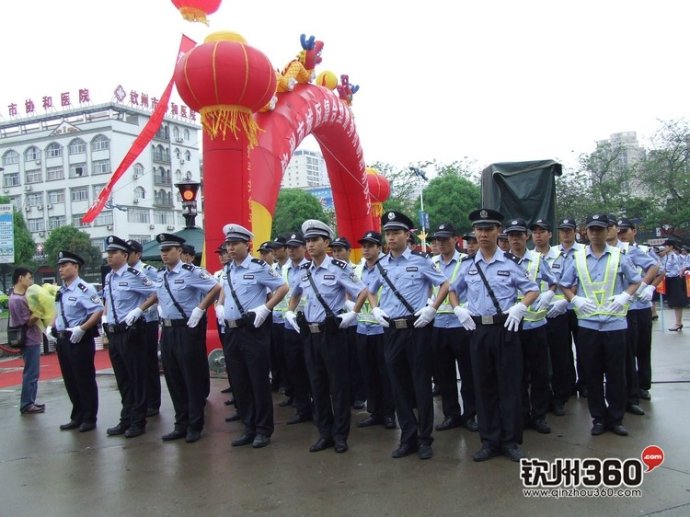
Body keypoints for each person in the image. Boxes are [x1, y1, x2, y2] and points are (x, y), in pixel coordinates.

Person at [450, 208, 539, 462]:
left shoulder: (510, 263)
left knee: (509, 386)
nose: (483, 234)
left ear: (498, 231)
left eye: (488, 229)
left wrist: (521, 307)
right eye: (479, 229)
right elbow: (453, 290)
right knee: (483, 385)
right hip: (478, 330)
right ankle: (489, 440)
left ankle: (510, 440)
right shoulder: (468, 265)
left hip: (505, 329)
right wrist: (458, 309)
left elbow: (532, 289)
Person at [368, 211, 449, 460]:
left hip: (417, 329)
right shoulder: (381, 265)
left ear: (407, 235)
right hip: (392, 330)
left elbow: (445, 284)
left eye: (396, 233)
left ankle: (425, 439)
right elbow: (370, 290)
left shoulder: (421, 261)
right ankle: (408, 437)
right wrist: (375, 308)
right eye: (388, 233)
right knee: (398, 385)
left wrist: (432, 308)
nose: (391, 238)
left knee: (420, 384)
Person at [285, 220, 368, 454]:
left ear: (326, 242)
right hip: (310, 335)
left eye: (315, 240)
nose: (310, 245)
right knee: (317, 385)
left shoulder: (338, 268)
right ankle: (325, 433)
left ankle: (340, 435)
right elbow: (295, 294)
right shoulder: (304, 271)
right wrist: (290, 311)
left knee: (338, 386)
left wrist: (352, 314)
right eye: (308, 241)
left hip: (332, 334)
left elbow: (362, 291)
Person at [559, 213, 641, 437]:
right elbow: (564, 284)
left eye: (600, 229)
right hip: (588, 325)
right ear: (586, 232)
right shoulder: (578, 258)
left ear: (608, 231)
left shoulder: (618, 256)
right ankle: (598, 419)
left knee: (616, 374)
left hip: (615, 325)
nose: (596, 233)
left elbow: (635, 281)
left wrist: (625, 296)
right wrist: (574, 299)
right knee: (592, 374)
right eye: (592, 230)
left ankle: (616, 418)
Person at [217, 224, 289, 449]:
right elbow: (225, 290)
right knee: (239, 381)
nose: (230, 248)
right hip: (231, 331)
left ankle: (263, 429)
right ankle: (249, 427)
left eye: (234, 244)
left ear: (246, 245)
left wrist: (266, 308)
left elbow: (282, 287)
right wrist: (219, 306)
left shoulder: (258, 267)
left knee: (258, 380)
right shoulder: (228, 269)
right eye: (228, 244)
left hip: (252, 330)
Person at [154, 233, 221, 443]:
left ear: (180, 251)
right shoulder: (160, 275)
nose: (164, 254)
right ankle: (180, 423)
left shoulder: (192, 272)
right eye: (162, 251)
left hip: (187, 329)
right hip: (168, 330)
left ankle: (195, 424)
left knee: (191, 378)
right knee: (173, 378)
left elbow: (216, 287)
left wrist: (200, 309)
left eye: (168, 250)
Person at [102, 235, 158, 438]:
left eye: (113, 253)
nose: (109, 256)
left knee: (137, 377)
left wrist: (139, 309)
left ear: (125, 255)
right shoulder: (109, 277)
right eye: (108, 253)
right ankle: (126, 417)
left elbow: (156, 292)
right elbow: (108, 300)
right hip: (114, 332)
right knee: (123, 379)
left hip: (131, 331)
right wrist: (105, 318)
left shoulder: (134, 275)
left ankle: (138, 421)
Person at [506, 219, 557, 435]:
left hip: (536, 325)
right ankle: (522, 414)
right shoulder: (502, 261)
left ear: (526, 237)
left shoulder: (537, 259)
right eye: (511, 235)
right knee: (516, 374)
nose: (515, 239)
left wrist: (549, 293)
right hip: (512, 326)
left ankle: (539, 415)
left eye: (519, 235)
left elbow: (553, 281)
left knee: (539, 374)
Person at [607, 217, 659, 416]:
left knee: (638, 350)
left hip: (635, 307)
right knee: (618, 357)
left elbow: (655, 267)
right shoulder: (594, 251)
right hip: (611, 310)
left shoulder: (631, 250)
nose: (618, 233)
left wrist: (646, 286)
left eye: (620, 230)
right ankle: (622, 393)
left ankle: (638, 390)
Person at [46, 251, 103, 431]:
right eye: (60, 266)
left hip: (79, 338)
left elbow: (97, 310)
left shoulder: (84, 288)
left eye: (64, 265)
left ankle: (89, 418)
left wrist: (83, 328)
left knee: (84, 379)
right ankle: (77, 415)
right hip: (63, 339)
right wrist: (50, 327)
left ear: (76, 267)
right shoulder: (61, 290)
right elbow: (59, 312)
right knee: (70, 379)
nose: (61, 269)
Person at [429, 223, 478, 433]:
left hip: (462, 324)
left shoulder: (466, 261)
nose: (440, 243)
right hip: (439, 325)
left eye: (445, 239)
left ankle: (470, 414)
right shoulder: (431, 263)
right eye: (437, 239)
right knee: (444, 374)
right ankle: (451, 415)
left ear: (455, 240)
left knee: (468, 373)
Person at [353, 231, 396, 430]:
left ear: (380, 247)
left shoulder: (386, 266)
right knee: (367, 372)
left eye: (370, 245)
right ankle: (374, 412)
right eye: (364, 246)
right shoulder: (358, 269)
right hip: (363, 327)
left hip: (382, 328)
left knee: (385, 373)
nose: (366, 249)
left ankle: (389, 413)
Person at [125, 239, 163, 417]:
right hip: (130, 323)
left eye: (129, 252)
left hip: (147, 320)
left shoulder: (148, 270)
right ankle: (139, 400)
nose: (126, 255)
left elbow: (157, 292)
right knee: (135, 363)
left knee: (149, 362)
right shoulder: (122, 272)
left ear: (138, 254)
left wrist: (143, 309)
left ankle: (153, 402)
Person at [279, 232, 313, 424]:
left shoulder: (310, 267)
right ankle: (303, 409)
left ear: (304, 248)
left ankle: (318, 406)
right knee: (295, 368)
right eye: (289, 247)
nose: (291, 251)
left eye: (296, 247)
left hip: (308, 323)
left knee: (313, 368)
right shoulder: (283, 270)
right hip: (290, 324)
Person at [331, 236, 366, 410]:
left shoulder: (356, 270)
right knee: (340, 363)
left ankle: (359, 395)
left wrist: (353, 308)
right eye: (334, 251)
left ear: (349, 251)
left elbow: (363, 292)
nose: (337, 254)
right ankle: (346, 395)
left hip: (353, 322)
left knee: (355, 361)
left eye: (340, 250)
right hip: (337, 323)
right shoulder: (330, 270)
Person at [9, 267, 44, 415]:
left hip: (31, 338)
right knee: (31, 372)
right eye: (29, 277)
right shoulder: (17, 299)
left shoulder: (19, 296)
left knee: (33, 372)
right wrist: (40, 311)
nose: (31, 281)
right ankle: (27, 404)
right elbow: (27, 322)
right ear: (20, 278)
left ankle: (30, 401)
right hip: (29, 340)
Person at [661, 239, 685, 331]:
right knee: (674, 302)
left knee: (677, 302)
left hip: (675, 280)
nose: (664, 247)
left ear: (671, 247)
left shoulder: (673, 257)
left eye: (666, 246)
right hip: (669, 280)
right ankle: (678, 323)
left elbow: (676, 271)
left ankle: (678, 323)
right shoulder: (666, 256)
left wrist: (665, 274)